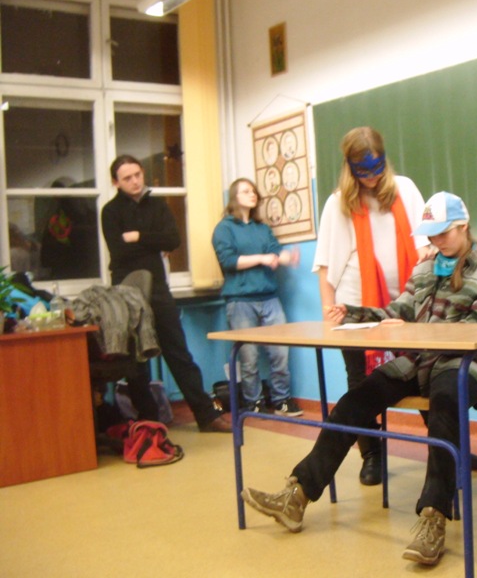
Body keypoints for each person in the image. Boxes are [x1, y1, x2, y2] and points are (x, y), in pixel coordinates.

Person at [242, 191, 477, 566]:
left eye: (444, 232)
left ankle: (434, 517)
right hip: (419, 362)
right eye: (431, 234)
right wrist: (352, 313)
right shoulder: (425, 268)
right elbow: (397, 311)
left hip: (467, 365)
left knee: (446, 401)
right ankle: (297, 495)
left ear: (463, 226)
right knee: (356, 400)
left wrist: (413, 331)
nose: (436, 241)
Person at [311, 126, 431, 486]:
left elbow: (425, 243)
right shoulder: (339, 203)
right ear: (349, 168)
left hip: (405, 307)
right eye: (363, 171)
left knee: (425, 375)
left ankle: (447, 449)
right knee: (360, 382)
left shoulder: (405, 189)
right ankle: (372, 454)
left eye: (377, 168)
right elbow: (326, 265)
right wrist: (328, 313)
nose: (371, 177)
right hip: (357, 310)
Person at [102, 154, 232, 433]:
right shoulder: (110, 212)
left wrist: (138, 236)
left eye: (138, 175)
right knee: (136, 360)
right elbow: (119, 251)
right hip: (127, 292)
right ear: (116, 182)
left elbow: (172, 240)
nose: (135, 181)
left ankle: (206, 416)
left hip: (158, 289)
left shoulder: (158, 205)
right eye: (127, 178)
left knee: (178, 352)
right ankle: (150, 420)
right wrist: (153, 241)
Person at [212, 178, 303, 417]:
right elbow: (228, 261)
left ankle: (282, 400)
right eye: (246, 191)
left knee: (280, 352)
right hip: (240, 301)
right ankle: (254, 403)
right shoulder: (224, 228)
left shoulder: (262, 229)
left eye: (253, 191)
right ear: (234, 197)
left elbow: (274, 252)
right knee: (249, 356)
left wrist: (287, 258)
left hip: (270, 298)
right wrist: (261, 259)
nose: (252, 194)